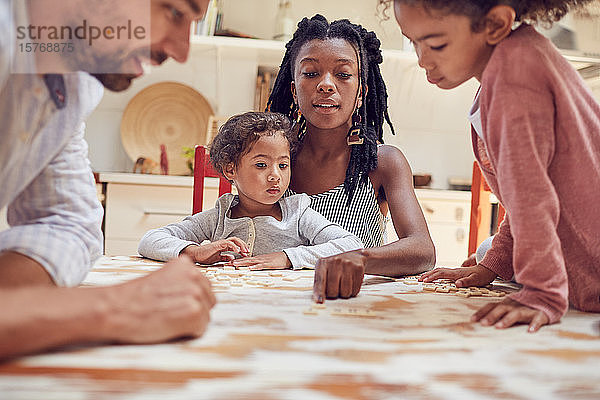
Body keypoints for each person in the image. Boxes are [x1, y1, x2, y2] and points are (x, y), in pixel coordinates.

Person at [0, 0, 216, 359]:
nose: (181, 51)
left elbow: (67, 225)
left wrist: (21, 313)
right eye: (175, 12)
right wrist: (113, 307)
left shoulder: (70, 85)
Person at [379, 0, 600, 331]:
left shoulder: (513, 78)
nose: (422, 59)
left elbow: (531, 199)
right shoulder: (515, 60)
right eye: (414, 41)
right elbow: (524, 195)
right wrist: (493, 264)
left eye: (436, 44)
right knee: (486, 248)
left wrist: (543, 293)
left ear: (495, 25)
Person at [266, 15, 436, 303]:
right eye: (310, 74)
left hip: (354, 310)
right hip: (276, 305)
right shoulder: (272, 159)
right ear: (294, 90)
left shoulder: (383, 162)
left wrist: (361, 258)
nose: (326, 85)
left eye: (343, 74)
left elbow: (422, 250)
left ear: (361, 92)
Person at [138, 112, 363, 271]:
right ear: (231, 169)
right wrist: (195, 252)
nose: (276, 175)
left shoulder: (298, 214)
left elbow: (352, 245)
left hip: (287, 307)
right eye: (261, 165)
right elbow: (150, 240)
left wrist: (287, 258)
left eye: (283, 165)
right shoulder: (219, 217)